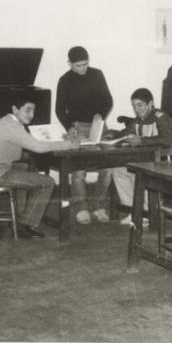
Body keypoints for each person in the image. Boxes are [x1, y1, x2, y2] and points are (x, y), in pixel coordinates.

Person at [0, 89, 79, 239]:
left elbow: (20, 149)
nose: (31, 115)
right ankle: (25, 223)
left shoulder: (8, 121)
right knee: (48, 182)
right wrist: (69, 144)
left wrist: (57, 142)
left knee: (27, 169)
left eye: (33, 110)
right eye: (27, 110)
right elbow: (38, 147)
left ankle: (24, 215)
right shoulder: (12, 127)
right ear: (15, 109)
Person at [55, 45, 114, 225]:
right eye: (78, 65)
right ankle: (81, 208)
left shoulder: (97, 74)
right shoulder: (64, 80)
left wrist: (101, 115)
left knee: (107, 166)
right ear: (69, 63)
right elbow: (59, 109)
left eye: (85, 64)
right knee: (78, 170)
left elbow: (108, 100)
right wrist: (69, 126)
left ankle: (100, 205)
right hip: (78, 126)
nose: (82, 69)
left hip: (98, 124)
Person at [111, 87, 172, 224]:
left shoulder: (161, 118)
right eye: (134, 106)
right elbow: (127, 131)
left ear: (150, 103)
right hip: (145, 160)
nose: (137, 109)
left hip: (163, 161)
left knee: (139, 173)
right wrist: (113, 135)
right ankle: (134, 212)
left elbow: (169, 140)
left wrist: (142, 141)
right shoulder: (139, 119)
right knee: (118, 170)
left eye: (140, 105)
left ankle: (148, 214)